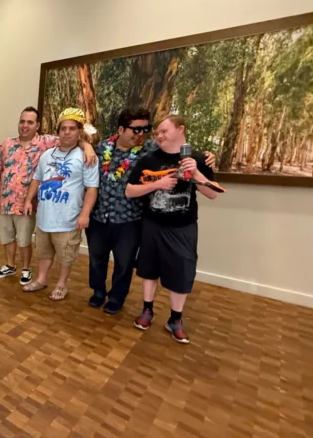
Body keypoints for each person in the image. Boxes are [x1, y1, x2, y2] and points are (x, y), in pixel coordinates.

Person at [86, 108, 216, 315]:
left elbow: (178, 148)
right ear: (120, 129)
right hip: (99, 216)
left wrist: (206, 156)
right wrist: (85, 146)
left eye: (146, 129)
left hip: (131, 218)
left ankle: (117, 298)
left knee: (124, 263)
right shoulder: (102, 148)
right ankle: (98, 292)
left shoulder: (149, 148)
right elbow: (79, 144)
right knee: (96, 259)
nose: (141, 134)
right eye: (136, 129)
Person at [125, 115, 219, 344]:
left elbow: (213, 193)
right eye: (157, 133)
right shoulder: (148, 158)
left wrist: (196, 173)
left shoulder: (198, 159)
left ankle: (175, 319)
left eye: (164, 131)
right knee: (148, 270)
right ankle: (147, 310)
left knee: (182, 274)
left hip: (183, 227)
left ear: (181, 129)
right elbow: (129, 191)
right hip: (152, 224)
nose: (159, 136)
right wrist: (157, 185)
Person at [0, 106, 96, 285]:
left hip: (27, 205)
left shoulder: (45, 143)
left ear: (37, 125)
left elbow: (71, 138)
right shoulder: (7, 144)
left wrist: (88, 146)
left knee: (24, 239)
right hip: (6, 202)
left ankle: (26, 269)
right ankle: (10, 265)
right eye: (22, 121)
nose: (25, 125)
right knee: (6, 237)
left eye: (30, 122)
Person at [21, 108, 99, 301]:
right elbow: (37, 179)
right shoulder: (47, 155)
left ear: (79, 131)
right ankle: (41, 279)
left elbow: (92, 188)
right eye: (63, 128)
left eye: (72, 128)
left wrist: (85, 214)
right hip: (44, 216)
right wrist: (29, 200)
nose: (66, 132)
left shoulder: (86, 157)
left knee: (66, 255)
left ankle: (61, 284)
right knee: (44, 251)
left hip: (68, 218)